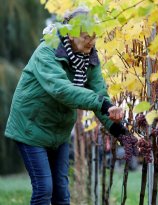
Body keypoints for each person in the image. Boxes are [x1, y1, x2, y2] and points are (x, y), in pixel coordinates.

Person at [5, 6, 127, 205]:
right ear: (70, 33)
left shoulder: (90, 58)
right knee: (44, 188)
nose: (92, 41)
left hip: (58, 131)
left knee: (61, 192)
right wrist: (103, 104)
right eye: (87, 36)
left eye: (94, 36)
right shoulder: (46, 52)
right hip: (30, 127)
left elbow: (99, 96)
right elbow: (62, 90)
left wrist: (122, 133)